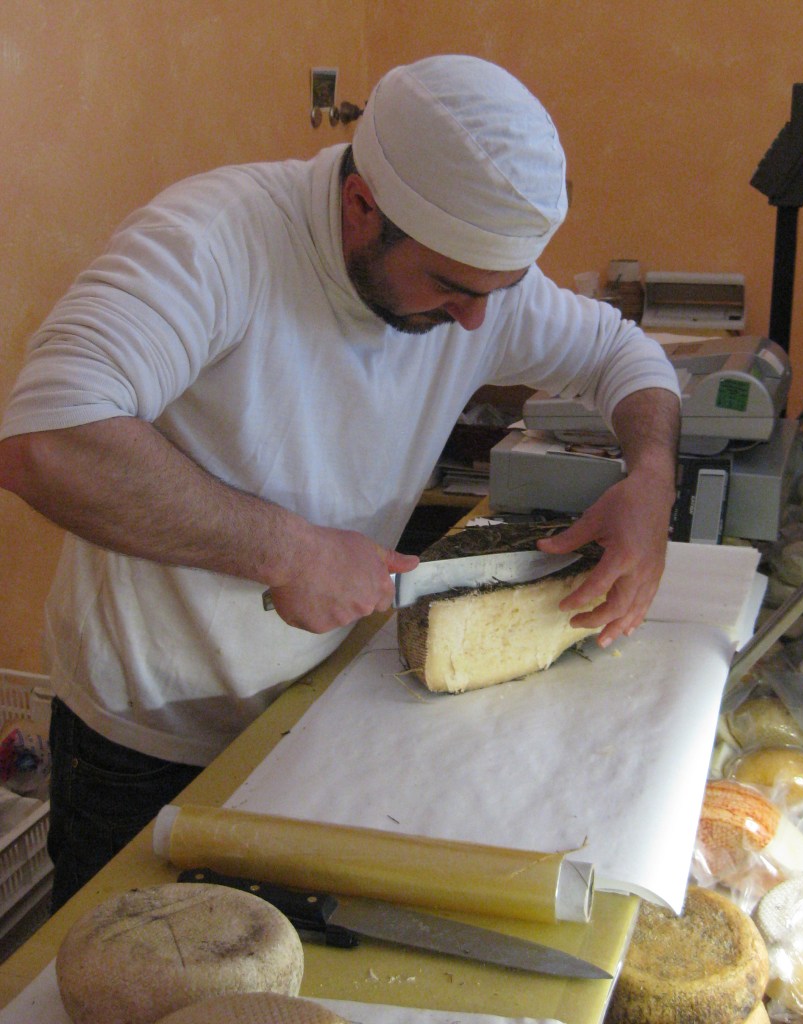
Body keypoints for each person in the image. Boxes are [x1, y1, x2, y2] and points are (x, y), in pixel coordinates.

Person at [0, 54, 681, 910]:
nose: (477, 321)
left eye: (498, 292)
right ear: (361, 207)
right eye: (451, 288)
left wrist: (651, 483)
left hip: (320, 705)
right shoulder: (214, 239)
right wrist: (285, 550)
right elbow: (46, 441)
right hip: (146, 738)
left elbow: (624, 355)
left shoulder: (475, 282)